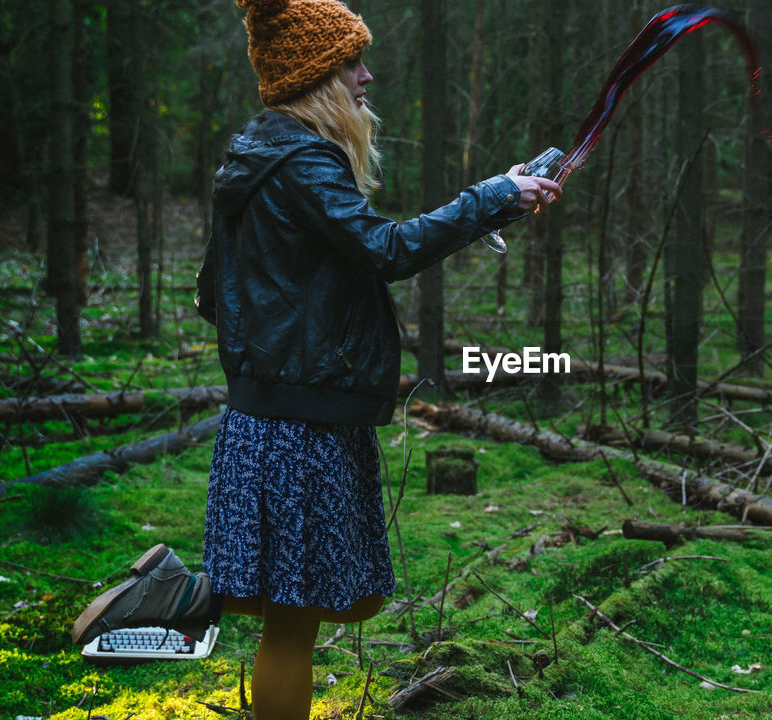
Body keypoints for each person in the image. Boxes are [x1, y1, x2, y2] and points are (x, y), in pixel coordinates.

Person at [71, 0, 562, 717]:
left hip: (275, 416)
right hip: (301, 425)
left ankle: (193, 593)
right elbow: (385, 250)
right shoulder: (301, 161)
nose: (368, 75)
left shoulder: (257, 155)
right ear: (317, 78)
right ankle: (191, 595)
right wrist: (487, 197)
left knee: (336, 604)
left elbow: (216, 291)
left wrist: (494, 203)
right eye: (351, 62)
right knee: (296, 624)